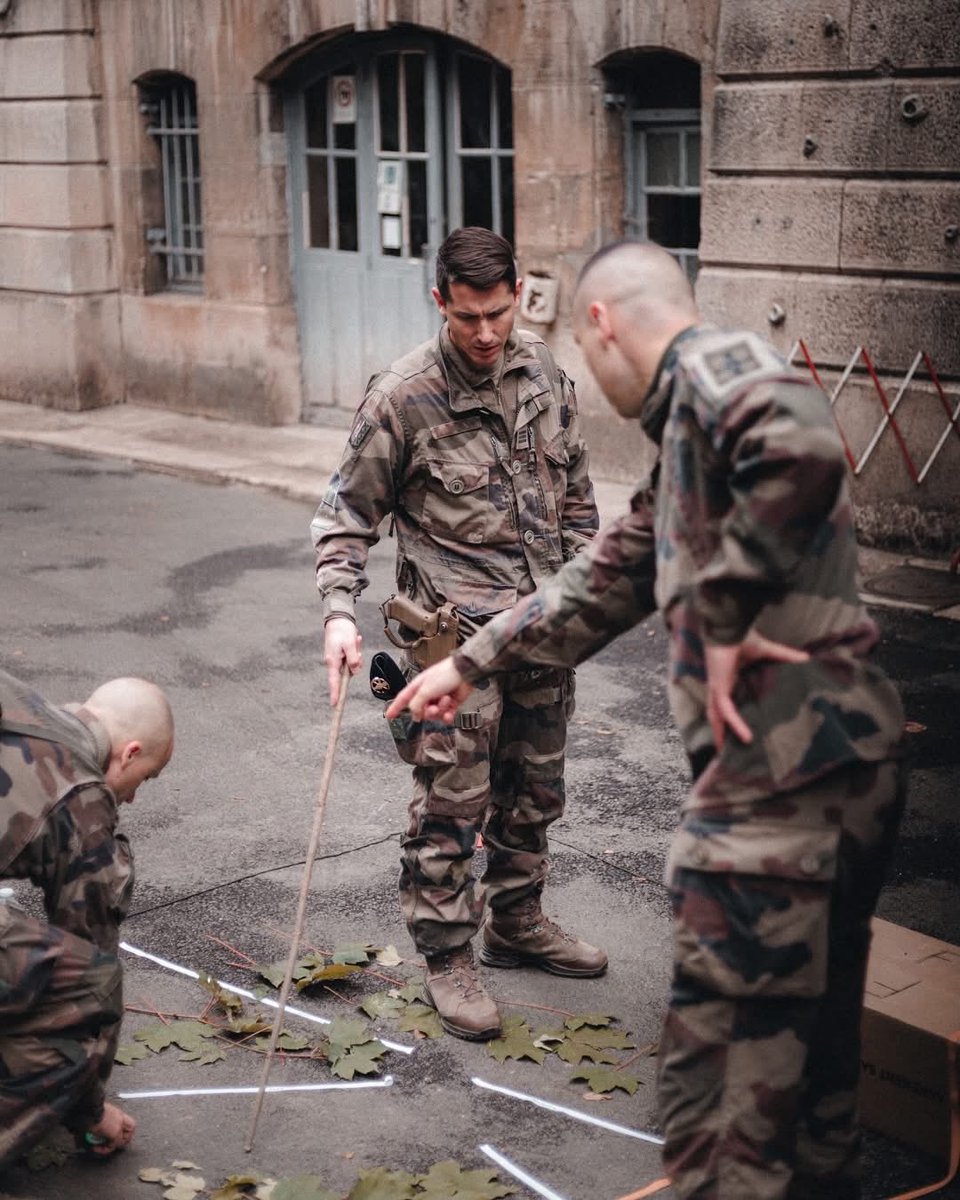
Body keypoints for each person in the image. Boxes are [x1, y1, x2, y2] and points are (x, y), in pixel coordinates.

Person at [386, 241, 906, 1199]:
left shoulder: (715, 373)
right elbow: (612, 572)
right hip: (835, 766)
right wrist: (469, 660)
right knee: (813, 1083)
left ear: (601, 326)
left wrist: (721, 604)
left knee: (721, 1108)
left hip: (782, 785)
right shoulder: (690, 441)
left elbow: (802, 441)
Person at [311, 226, 604, 1041]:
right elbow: (344, 518)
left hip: (542, 631)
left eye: (500, 313)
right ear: (440, 300)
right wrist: (340, 611)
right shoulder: (402, 396)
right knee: (452, 802)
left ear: (518, 298)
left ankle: (518, 921)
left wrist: (581, 591)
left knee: (535, 790)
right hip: (451, 648)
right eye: (470, 315)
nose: (486, 333)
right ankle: (447, 951)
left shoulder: (542, 371)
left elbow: (577, 493)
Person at [0, 668, 174, 1170]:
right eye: (146, 778)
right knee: (89, 985)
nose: (134, 796)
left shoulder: (22, 702)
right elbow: (92, 959)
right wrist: (90, 1112)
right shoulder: (83, 799)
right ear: (130, 753)